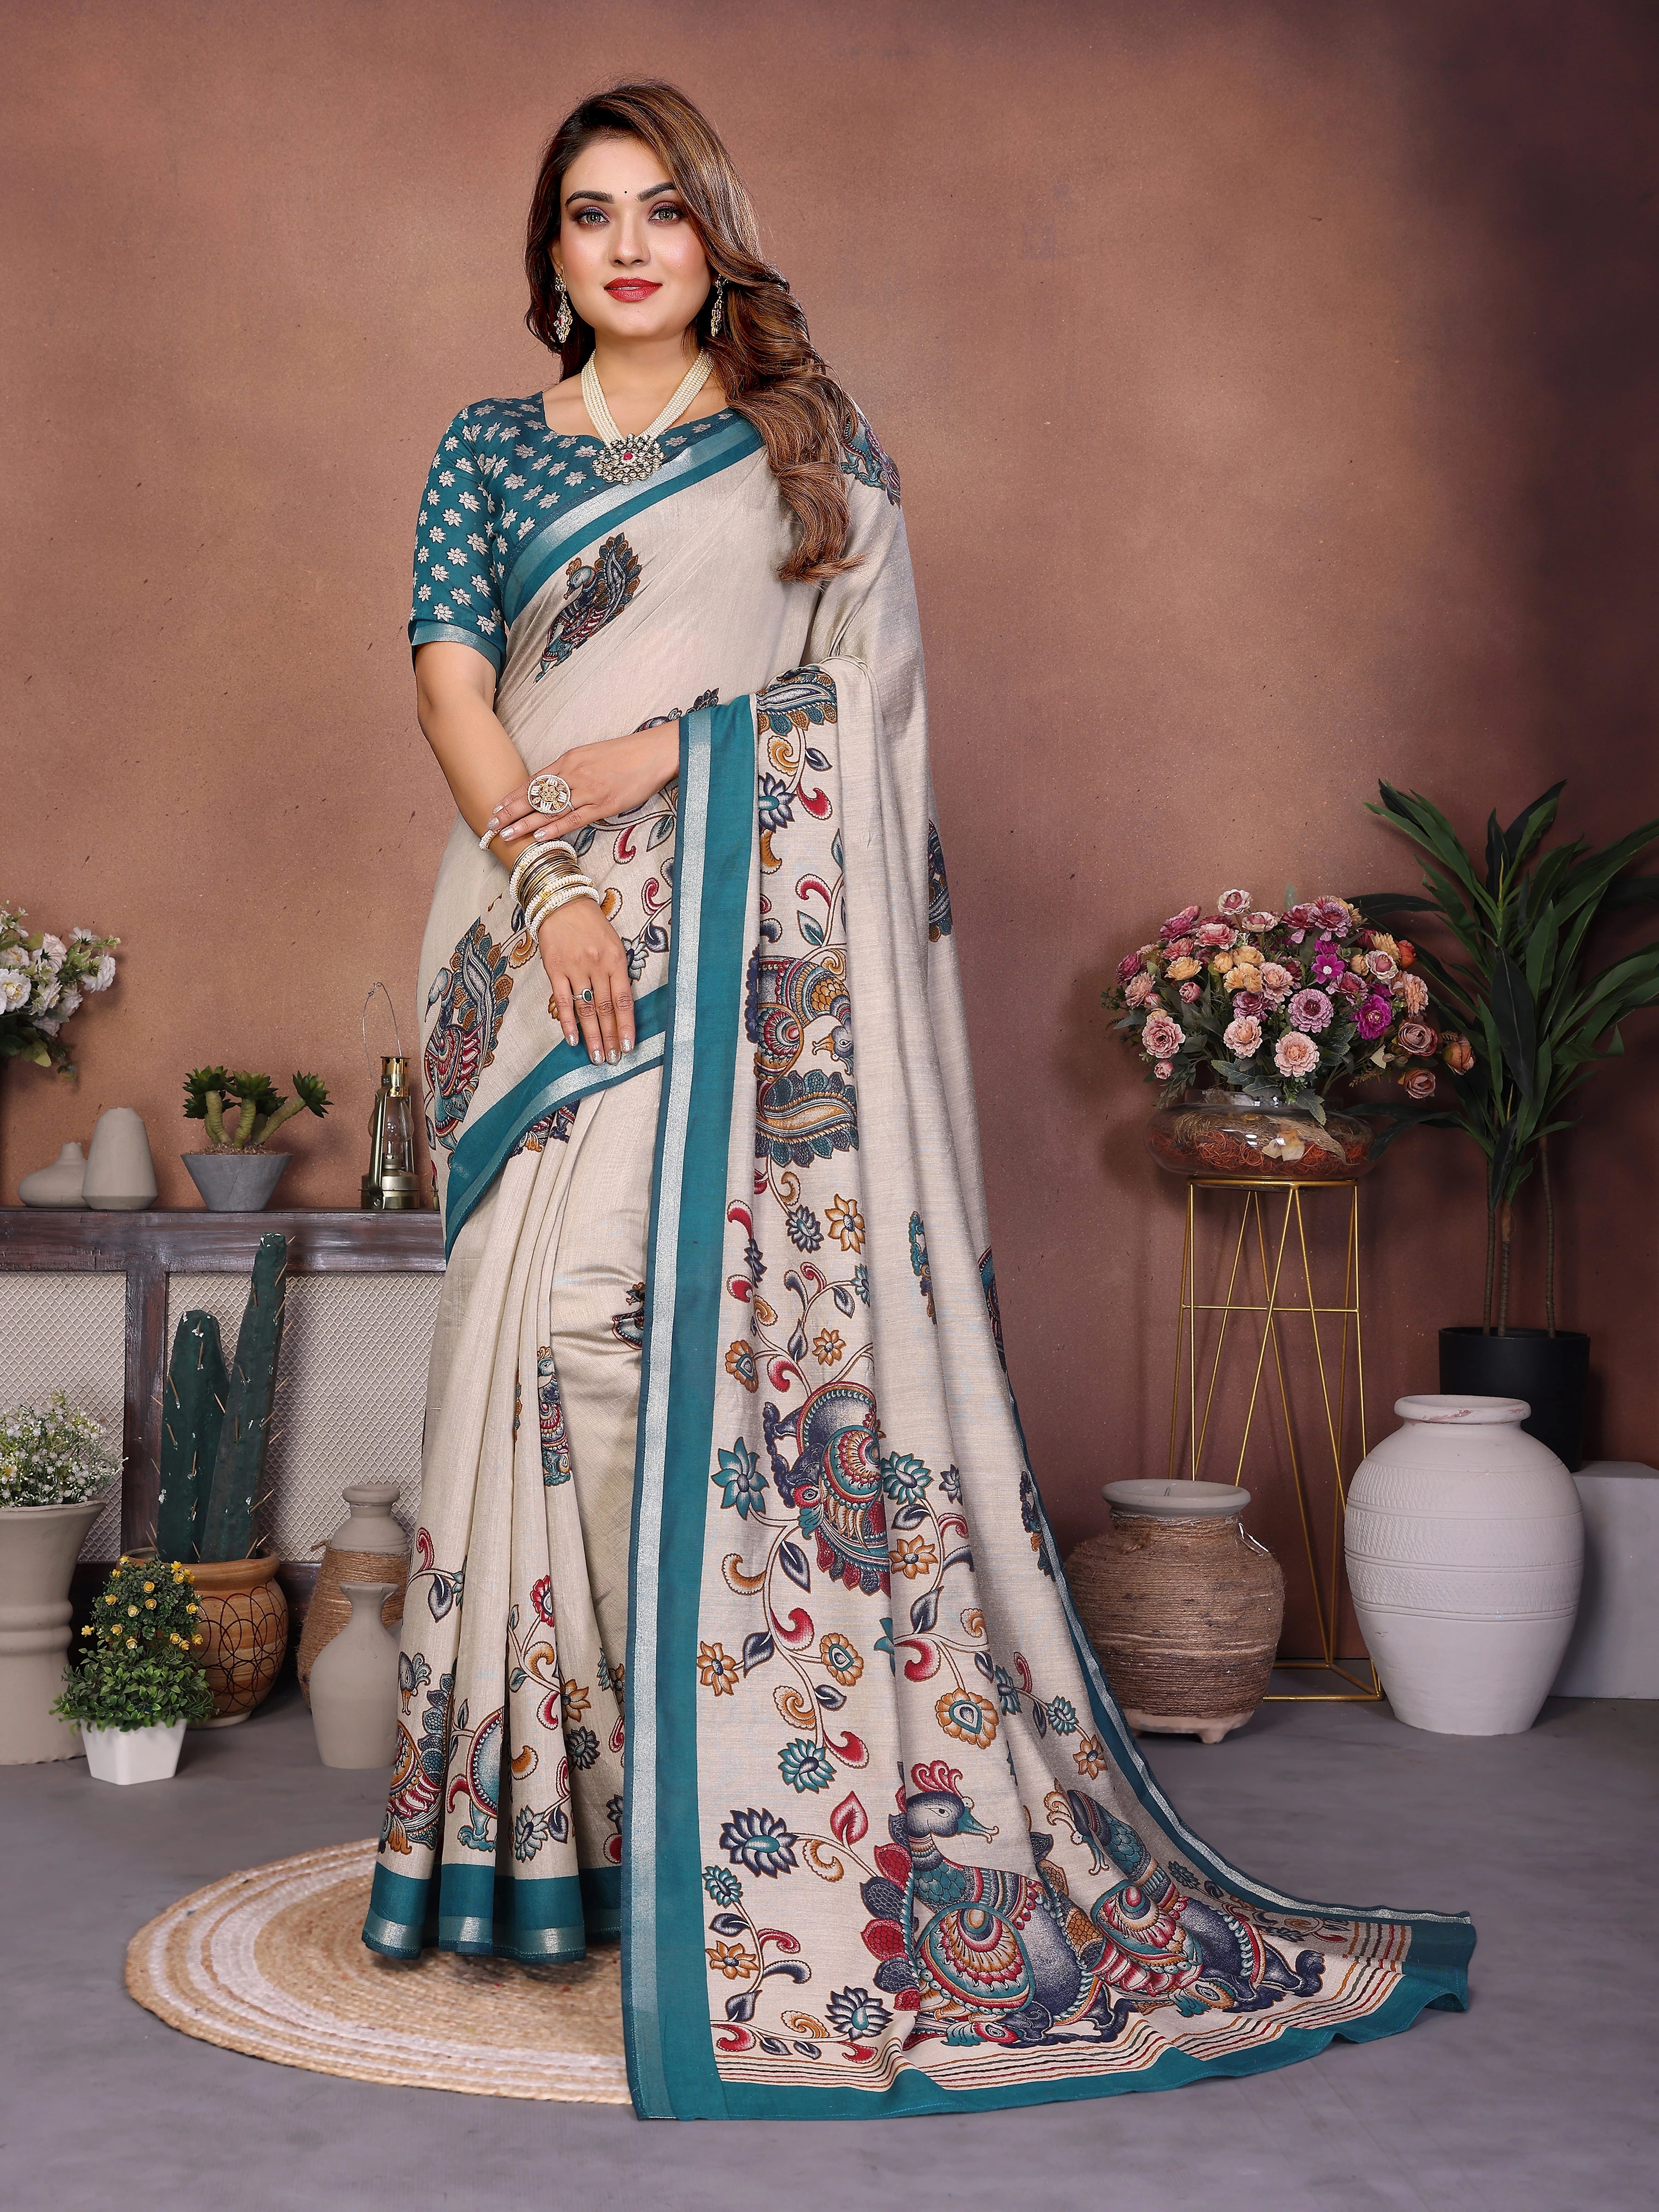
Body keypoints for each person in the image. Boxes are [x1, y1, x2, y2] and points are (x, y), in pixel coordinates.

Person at [365, 80, 1471, 2120]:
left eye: (663, 211)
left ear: (714, 238)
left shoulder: (807, 440)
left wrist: (674, 757)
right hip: (540, 943)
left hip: (750, 960)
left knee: (663, 1344)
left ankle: (718, 1797)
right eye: (592, 215)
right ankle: (566, 1825)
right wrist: (550, 883)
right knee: (538, 1347)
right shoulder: (490, 448)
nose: (629, 247)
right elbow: (452, 682)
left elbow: (863, 704)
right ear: (550, 254)